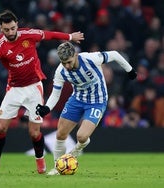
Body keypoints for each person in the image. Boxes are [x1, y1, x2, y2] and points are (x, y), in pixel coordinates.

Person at [0, 10, 84, 174]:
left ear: (17, 25)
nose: (10, 32)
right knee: (1, 128)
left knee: (34, 132)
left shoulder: (29, 34)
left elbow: (50, 34)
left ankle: (40, 161)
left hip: (34, 88)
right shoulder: (0, 44)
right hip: (14, 89)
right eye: (6, 30)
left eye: (12, 28)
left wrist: (70, 37)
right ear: (1, 28)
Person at [35, 42, 137, 175]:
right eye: (63, 62)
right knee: (60, 133)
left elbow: (115, 54)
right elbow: (56, 93)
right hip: (77, 100)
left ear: (76, 55)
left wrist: (130, 70)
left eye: (69, 62)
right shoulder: (61, 71)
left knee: (81, 136)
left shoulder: (90, 59)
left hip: (97, 101)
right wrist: (47, 108)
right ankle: (57, 166)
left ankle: (75, 151)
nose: (67, 65)